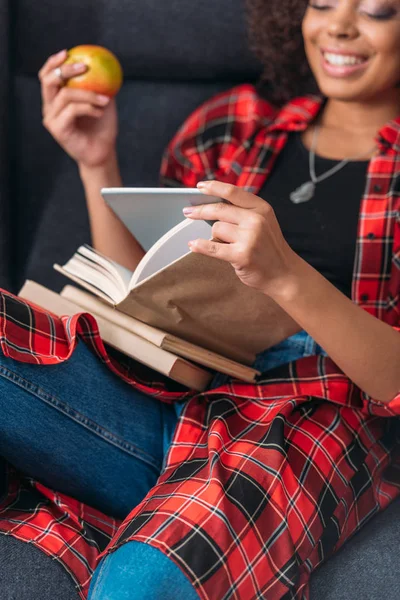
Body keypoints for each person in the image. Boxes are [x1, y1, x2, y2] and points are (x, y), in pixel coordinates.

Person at [0, 0, 399, 598]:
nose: (338, 26)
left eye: (377, 11)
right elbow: (149, 296)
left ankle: (178, 519)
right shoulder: (233, 123)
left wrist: (287, 275)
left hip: (307, 415)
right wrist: (95, 162)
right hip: (166, 386)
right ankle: (180, 507)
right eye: (321, 3)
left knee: (141, 583)